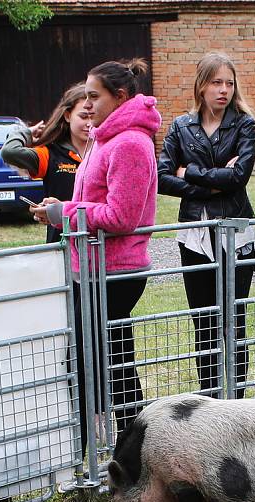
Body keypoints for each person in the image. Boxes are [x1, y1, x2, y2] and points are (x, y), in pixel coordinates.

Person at [32, 58, 162, 454]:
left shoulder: (130, 144)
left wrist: (64, 213)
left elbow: (123, 216)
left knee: (110, 363)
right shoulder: (105, 139)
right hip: (90, 267)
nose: (86, 104)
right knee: (93, 359)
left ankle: (124, 452)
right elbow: (94, 201)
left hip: (115, 272)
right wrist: (65, 204)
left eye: (94, 96)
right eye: (84, 96)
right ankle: (103, 450)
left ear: (119, 97)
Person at [157, 51, 255, 398]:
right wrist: (216, 180)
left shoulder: (244, 124)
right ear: (201, 86)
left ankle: (238, 398)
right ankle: (210, 399)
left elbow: (239, 177)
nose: (224, 90)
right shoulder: (181, 127)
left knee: (234, 319)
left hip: (235, 232)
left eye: (229, 83)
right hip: (195, 234)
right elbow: (161, 178)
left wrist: (192, 172)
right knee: (203, 321)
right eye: (216, 82)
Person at [1, 83, 91, 243]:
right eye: (83, 116)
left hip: (101, 240)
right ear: (68, 116)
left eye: (94, 116)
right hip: (62, 244)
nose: (89, 123)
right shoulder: (49, 153)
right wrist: (26, 133)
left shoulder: (107, 151)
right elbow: (10, 152)